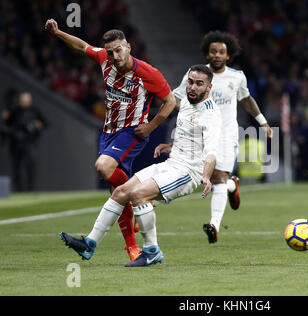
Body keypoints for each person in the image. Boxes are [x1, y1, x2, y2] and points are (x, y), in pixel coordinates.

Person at [60, 65, 220, 267]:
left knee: (138, 195)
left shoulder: (212, 115)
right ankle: (89, 244)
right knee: (120, 192)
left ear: (209, 88)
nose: (193, 87)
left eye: (199, 84)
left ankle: (152, 251)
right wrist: (170, 146)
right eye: (190, 82)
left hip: (189, 172)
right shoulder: (187, 101)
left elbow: (212, 153)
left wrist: (206, 176)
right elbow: (192, 135)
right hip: (171, 164)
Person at [45, 19, 177, 261]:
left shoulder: (147, 73)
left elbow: (170, 101)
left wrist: (151, 126)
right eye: (110, 51)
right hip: (108, 132)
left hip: (132, 133)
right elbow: (81, 46)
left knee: (103, 167)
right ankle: (132, 247)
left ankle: (136, 194)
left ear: (128, 47)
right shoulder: (104, 59)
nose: (115, 56)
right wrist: (57, 32)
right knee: (117, 190)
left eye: (118, 49)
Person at [169, 31, 273, 244]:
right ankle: (233, 187)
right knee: (204, 178)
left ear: (229, 55)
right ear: (206, 54)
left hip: (226, 135)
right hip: (198, 134)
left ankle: (214, 225)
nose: (217, 55)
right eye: (213, 51)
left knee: (217, 177)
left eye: (221, 52)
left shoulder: (237, 77)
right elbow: (176, 98)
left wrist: (262, 121)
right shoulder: (195, 75)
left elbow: (246, 100)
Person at [5, 92, 47, 191]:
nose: (24, 102)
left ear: (30, 101)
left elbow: (45, 123)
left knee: (30, 165)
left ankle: (30, 189)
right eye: (23, 101)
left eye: (26, 100)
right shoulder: (15, 111)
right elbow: (7, 125)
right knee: (16, 167)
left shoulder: (35, 110)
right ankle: (18, 190)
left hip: (30, 142)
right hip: (16, 142)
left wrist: (38, 125)